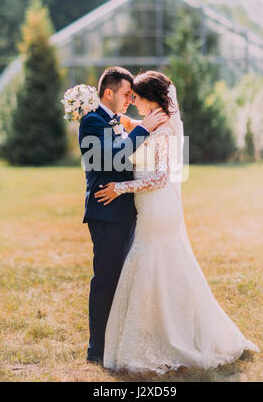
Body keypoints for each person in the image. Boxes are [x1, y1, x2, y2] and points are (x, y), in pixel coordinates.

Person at [95, 71, 259, 373]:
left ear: (151, 99)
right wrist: (130, 124)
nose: (133, 103)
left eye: (137, 98)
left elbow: (158, 178)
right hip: (152, 208)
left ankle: (167, 336)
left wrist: (119, 188)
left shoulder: (165, 129)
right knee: (166, 271)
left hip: (158, 208)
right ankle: (161, 331)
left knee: (152, 268)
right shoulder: (154, 123)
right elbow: (138, 131)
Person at [79, 67, 168, 363]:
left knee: (122, 280)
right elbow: (112, 157)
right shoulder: (92, 120)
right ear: (109, 93)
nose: (130, 99)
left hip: (127, 210)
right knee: (105, 279)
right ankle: (97, 348)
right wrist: (144, 129)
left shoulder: (117, 120)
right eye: (127, 94)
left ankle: (116, 342)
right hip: (106, 213)